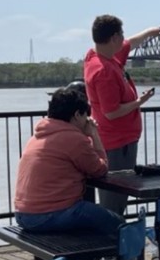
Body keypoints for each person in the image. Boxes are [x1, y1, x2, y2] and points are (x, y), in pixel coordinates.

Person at [83, 15, 160, 215]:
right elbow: (111, 112)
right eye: (121, 34)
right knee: (114, 202)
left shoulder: (103, 56)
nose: (124, 38)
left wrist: (149, 32)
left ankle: (115, 240)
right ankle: (112, 243)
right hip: (116, 145)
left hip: (120, 142)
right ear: (113, 38)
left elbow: (131, 43)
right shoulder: (104, 71)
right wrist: (139, 102)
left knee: (117, 199)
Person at [13, 87, 122, 236]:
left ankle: (102, 256)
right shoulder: (73, 138)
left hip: (23, 214)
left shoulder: (38, 135)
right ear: (77, 114)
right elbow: (100, 170)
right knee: (119, 225)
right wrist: (94, 135)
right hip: (49, 214)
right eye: (85, 116)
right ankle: (123, 259)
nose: (87, 121)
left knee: (92, 222)